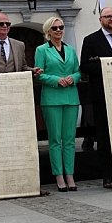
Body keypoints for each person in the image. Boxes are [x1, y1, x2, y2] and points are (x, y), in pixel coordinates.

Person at [80, 7, 112, 188]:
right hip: (102, 95)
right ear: (100, 19)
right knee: (104, 136)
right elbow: (85, 66)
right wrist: (109, 66)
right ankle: (108, 175)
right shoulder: (91, 40)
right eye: (108, 16)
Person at [34, 17, 82, 192]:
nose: (59, 30)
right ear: (48, 31)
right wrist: (56, 80)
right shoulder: (42, 50)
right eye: (55, 28)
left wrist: (73, 78)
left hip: (71, 97)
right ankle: (59, 175)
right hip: (52, 98)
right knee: (55, 139)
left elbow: (78, 71)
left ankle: (70, 174)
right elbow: (39, 74)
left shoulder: (70, 50)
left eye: (61, 27)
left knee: (69, 139)